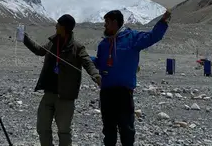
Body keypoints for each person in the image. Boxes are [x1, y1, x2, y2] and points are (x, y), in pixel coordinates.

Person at [92, 9, 171, 146]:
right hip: (106, 92)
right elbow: (99, 63)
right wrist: (85, 58)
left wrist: (163, 22)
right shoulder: (103, 44)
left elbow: (153, 37)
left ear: (115, 23)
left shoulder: (132, 38)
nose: (104, 26)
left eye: (107, 23)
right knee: (108, 129)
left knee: (127, 129)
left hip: (124, 93)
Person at [22, 14, 101, 146]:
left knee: (64, 131)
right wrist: (24, 38)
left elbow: (88, 63)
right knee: (42, 127)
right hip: (48, 94)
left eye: (58, 24)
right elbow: (39, 51)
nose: (55, 26)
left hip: (65, 97)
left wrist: (96, 76)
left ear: (64, 27)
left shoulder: (78, 47)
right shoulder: (53, 42)